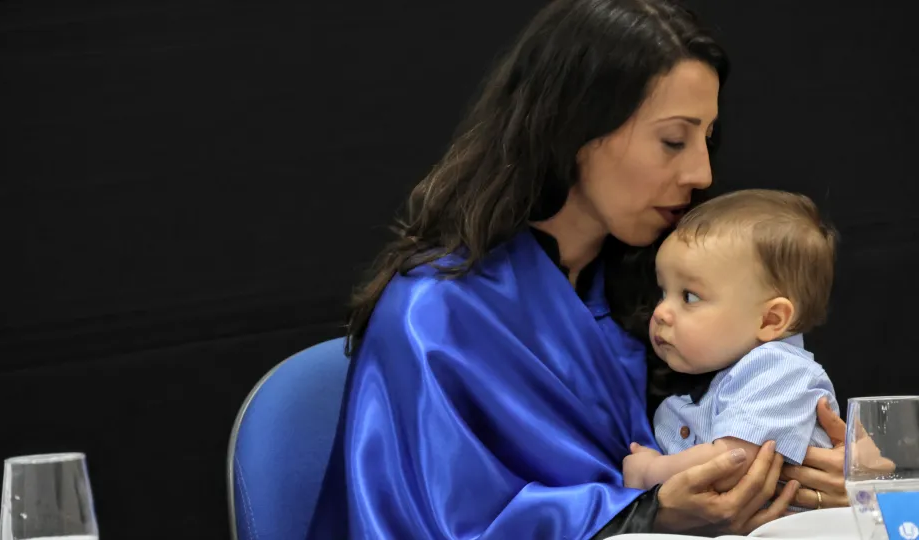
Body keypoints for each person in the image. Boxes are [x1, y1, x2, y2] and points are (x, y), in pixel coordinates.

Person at [307, 1, 848, 538]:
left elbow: (754, 420)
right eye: (673, 140)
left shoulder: (672, 281)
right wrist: (644, 513)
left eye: (706, 139)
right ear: (576, 128)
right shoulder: (434, 317)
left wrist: (830, 470)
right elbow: (431, 523)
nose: (702, 173)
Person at [621, 190, 841, 508]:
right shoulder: (725, 383)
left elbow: (731, 464)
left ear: (770, 319)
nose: (660, 313)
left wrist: (652, 472)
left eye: (690, 297)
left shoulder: (780, 370)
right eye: (663, 291)